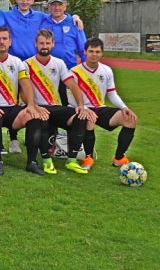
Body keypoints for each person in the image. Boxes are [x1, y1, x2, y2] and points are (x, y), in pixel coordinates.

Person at [0, 26, 49, 175]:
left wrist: (30, 105)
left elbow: (26, 84)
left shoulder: (17, 62)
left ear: (10, 42)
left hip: (12, 108)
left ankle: (32, 162)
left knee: (33, 117)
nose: (1, 42)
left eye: (5, 39)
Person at [25, 29, 96, 175]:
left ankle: (72, 160)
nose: (44, 45)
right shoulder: (27, 64)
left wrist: (81, 106)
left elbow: (72, 84)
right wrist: (34, 106)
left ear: (53, 44)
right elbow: (22, 91)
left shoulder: (59, 63)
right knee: (40, 118)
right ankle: (46, 161)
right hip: (37, 106)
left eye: (48, 43)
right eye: (41, 43)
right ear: (36, 44)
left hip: (56, 106)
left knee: (80, 117)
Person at [68, 37, 139, 170]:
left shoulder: (106, 70)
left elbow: (112, 93)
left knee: (130, 120)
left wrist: (124, 107)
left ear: (102, 53)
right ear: (85, 52)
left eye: (97, 51)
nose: (94, 54)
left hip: (100, 108)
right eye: (91, 51)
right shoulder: (74, 72)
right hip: (81, 109)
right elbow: (69, 97)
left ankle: (119, 158)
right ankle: (88, 158)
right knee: (89, 119)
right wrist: (82, 108)